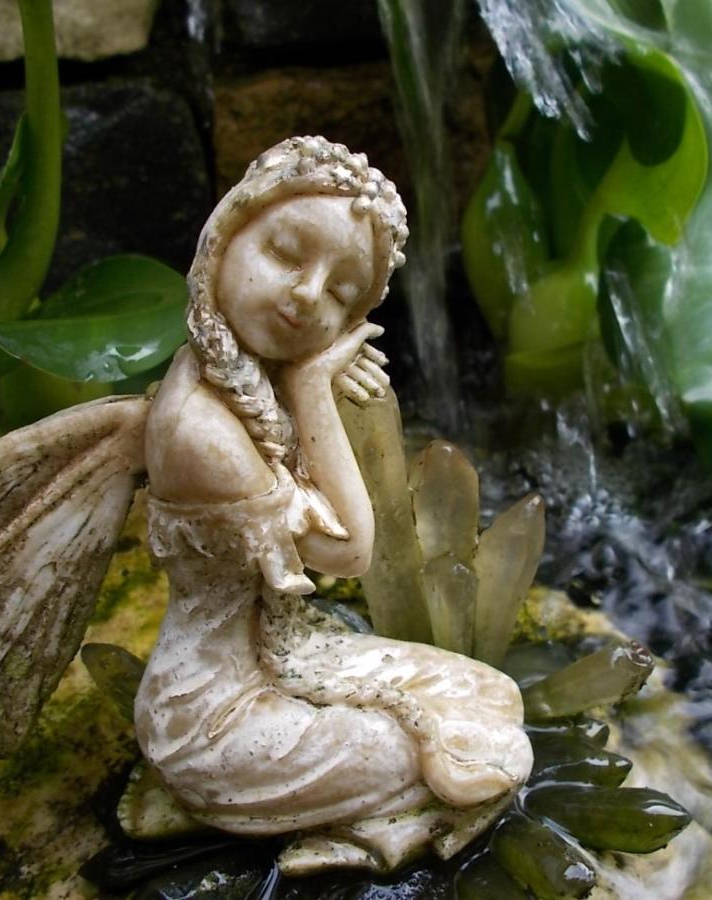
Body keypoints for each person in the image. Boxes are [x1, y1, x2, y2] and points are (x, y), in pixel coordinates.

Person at [131, 136, 532, 874]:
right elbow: (349, 551)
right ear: (224, 234)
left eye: (342, 294)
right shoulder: (200, 431)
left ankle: (349, 814)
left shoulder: (240, 378)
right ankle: (354, 831)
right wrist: (315, 387)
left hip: (283, 659)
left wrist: (296, 383)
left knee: (491, 698)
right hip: (211, 717)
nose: (307, 295)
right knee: (435, 752)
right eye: (286, 254)